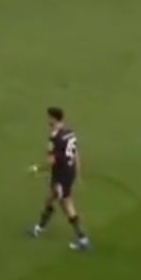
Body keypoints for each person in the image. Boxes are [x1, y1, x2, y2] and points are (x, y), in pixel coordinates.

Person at [29, 106, 88, 250]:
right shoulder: (70, 133)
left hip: (60, 175)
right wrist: (77, 171)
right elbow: (75, 153)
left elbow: (51, 160)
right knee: (50, 199)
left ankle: (82, 238)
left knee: (66, 204)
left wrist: (37, 168)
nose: (47, 120)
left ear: (53, 118)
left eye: (48, 117)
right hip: (68, 172)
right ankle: (40, 227)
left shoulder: (55, 137)